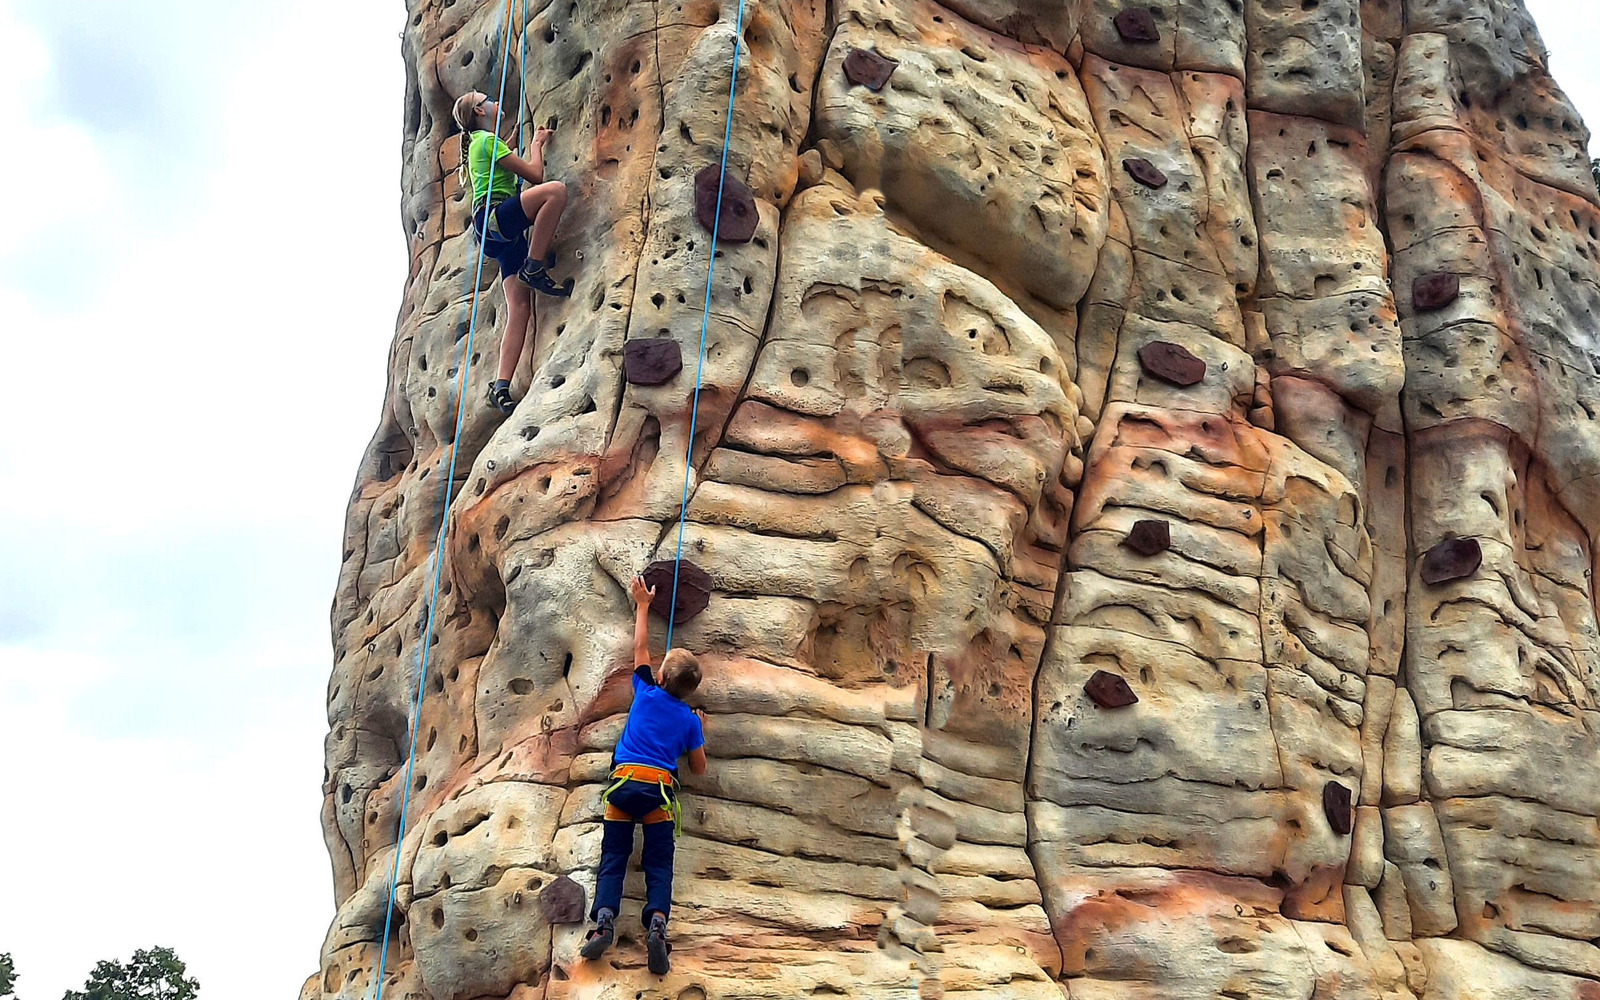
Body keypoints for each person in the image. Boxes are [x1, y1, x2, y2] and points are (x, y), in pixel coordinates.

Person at [579, 575, 707, 975]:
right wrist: (703, 730)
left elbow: (639, 648)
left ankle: (603, 923)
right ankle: (656, 924)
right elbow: (699, 769)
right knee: (658, 863)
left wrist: (642, 605)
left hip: (623, 785)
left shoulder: (646, 692)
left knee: (614, 857)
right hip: (658, 794)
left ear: (661, 678)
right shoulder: (688, 719)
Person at [451, 90, 572, 416]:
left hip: (494, 234)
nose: (494, 101)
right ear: (479, 110)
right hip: (497, 219)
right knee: (555, 193)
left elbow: (499, 161)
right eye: (487, 99)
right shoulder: (488, 143)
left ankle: (500, 386)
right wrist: (536, 144)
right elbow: (535, 176)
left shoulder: (482, 143)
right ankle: (534, 265)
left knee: (519, 307)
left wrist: (512, 137)